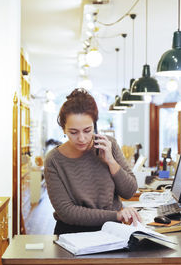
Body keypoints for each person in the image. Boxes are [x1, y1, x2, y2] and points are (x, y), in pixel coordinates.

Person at [44, 88, 142, 234]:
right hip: (72, 234)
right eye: (73, 132)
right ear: (63, 129)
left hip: (111, 231)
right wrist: (116, 215)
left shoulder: (110, 144)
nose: (82, 138)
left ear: (95, 125)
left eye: (87, 130)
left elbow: (129, 191)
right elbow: (67, 212)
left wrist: (110, 161)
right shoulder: (54, 159)